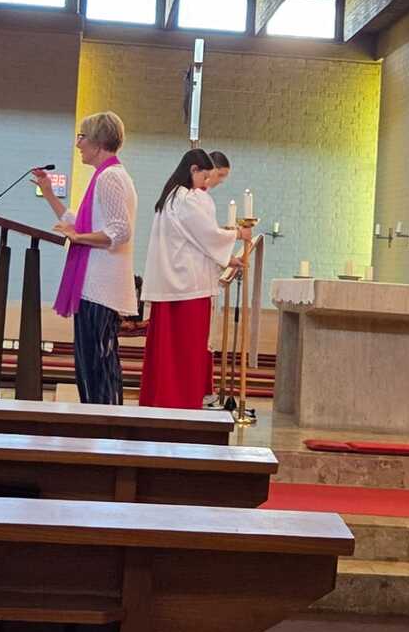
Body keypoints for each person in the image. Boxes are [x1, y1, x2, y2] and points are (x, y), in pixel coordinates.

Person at [33, 111, 137, 405]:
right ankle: (100, 420)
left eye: (82, 137)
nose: (78, 144)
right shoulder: (107, 175)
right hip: (95, 286)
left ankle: (104, 423)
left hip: (100, 287)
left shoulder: (110, 177)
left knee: (97, 366)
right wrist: (49, 193)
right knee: (92, 365)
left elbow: (120, 231)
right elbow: (78, 223)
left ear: (98, 141)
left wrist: (78, 238)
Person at [140, 149, 249, 409]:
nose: (206, 183)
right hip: (187, 286)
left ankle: (162, 399)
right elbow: (207, 234)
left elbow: (193, 239)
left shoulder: (171, 196)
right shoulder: (187, 198)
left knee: (168, 350)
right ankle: (181, 402)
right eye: (205, 177)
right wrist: (238, 234)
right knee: (186, 350)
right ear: (193, 170)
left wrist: (227, 258)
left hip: (173, 283)